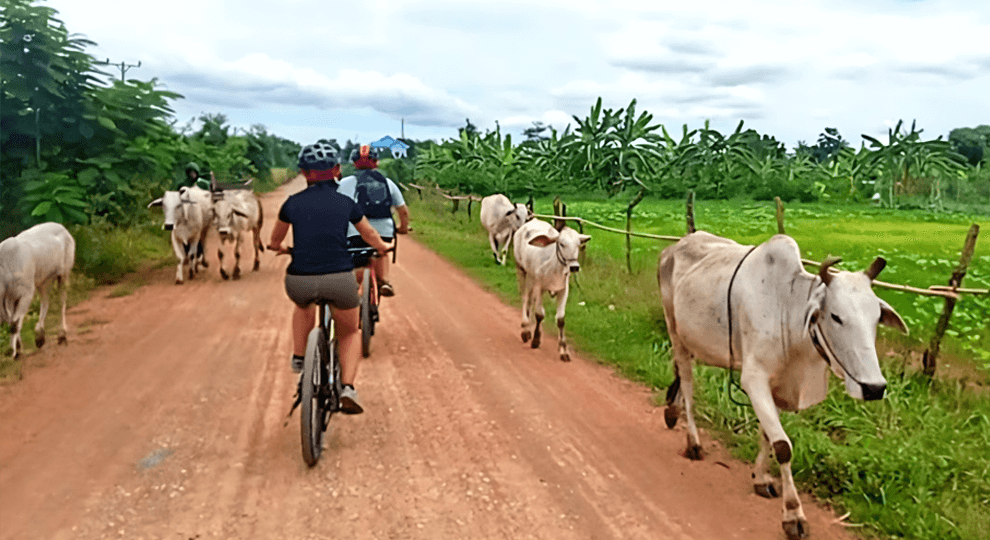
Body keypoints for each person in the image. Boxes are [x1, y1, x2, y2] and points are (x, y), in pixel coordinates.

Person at [268, 142, 391, 415]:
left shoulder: (291, 204)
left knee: (303, 306)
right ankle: (347, 387)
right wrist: (383, 248)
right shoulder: (346, 203)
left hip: (299, 280)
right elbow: (370, 234)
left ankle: (300, 357)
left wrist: (286, 249)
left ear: (303, 173)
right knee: (349, 331)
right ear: (336, 170)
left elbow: (274, 242)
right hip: (339, 280)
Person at [336, 145, 410, 297]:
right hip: (384, 230)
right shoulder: (388, 183)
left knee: (357, 266)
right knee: (381, 250)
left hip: (355, 232)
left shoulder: (344, 183)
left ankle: (356, 291)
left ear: (354, 163)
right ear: (376, 162)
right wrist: (402, 227)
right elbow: (403, 211)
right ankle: (384, 281)